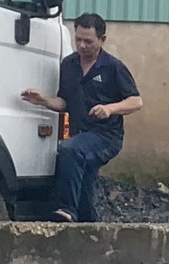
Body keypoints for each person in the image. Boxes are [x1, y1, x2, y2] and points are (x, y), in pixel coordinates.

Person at [20, 12, 142, 222]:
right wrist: (43, 101)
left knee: (70, 149)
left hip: (105, 137)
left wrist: (110, 108)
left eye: (88, 41)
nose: (82, 45)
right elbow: (64, 102)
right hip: (80, 134)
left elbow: (136, 101)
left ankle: (66, 209)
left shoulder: (113, 67)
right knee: (85, 187)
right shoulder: (68, 65)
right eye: (78, 39)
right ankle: (91, 230)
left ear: (102, 40)